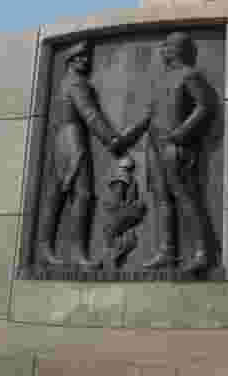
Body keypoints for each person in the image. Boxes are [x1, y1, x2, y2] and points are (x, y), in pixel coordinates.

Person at [37, 41, 152, 268]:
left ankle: (46, 249)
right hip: (72, 139)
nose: (86, 61)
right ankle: (76, 253)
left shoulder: (65, 83)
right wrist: (113, 141)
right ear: (70, 61)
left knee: (56, 194)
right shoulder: (77, 83)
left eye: (87, 57)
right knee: (82, 194)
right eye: (80, 58)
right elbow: (90, 115)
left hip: (62, 138)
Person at [143, 32, 216, 276]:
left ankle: (203, 253)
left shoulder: (190, 75)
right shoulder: (161, 79)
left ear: (176, 50)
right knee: (162, 198)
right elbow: (150, 115)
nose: (162, 51)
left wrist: (181, 133)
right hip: (154, 145)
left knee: (185, 197)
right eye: (162, 47)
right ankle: (167, 251)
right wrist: (124, 138)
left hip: (175, 146)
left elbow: (205, 105)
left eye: (166, 47)